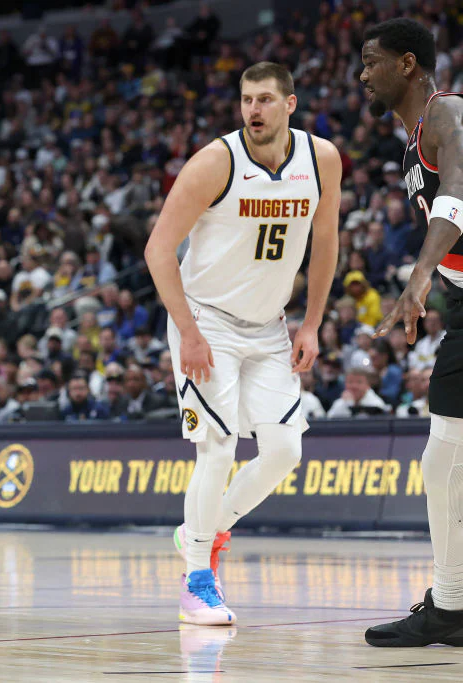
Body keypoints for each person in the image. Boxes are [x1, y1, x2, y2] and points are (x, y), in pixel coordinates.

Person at [144, 62, 341, 625]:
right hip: (208, 322)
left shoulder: (322, 159)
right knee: (218, 448)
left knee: (284, 451)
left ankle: (200, 532)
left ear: (290, 104)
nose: (253, 110)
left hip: (271, 325)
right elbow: (159, 250)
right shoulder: (214, 162)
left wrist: (311, 324)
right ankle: (198, 581)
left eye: (264, 100)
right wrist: (187, 331)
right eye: (245, 100)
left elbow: (325, 243)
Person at [361, 17, 463, 647]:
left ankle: (451, 605)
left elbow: (459, 188)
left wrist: (420, 276)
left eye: (370, 62)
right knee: (444, 456)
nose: (361, 74)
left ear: (406, 63)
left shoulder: (446, 110)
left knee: (443, 457)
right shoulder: (413, 140)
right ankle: (451, 603)